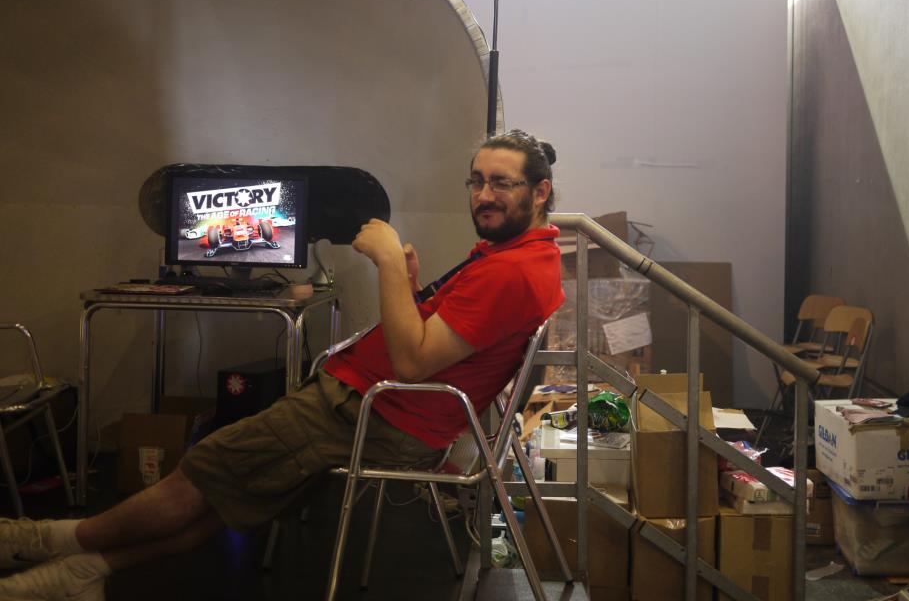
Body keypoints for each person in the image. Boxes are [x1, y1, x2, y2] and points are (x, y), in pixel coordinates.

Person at [0, 129, 564, 601]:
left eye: (501, 183)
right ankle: (86, 571)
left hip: (375, 411)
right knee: (226, 495)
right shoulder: (521, 255)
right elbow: (442, 339)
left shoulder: (510, 271)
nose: (483, 195)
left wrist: (390, 264)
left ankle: (42, 540)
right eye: (476, 181)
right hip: (382, 405)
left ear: (540, 192)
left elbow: (413, 361)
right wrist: (410, 286)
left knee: (204, 469)